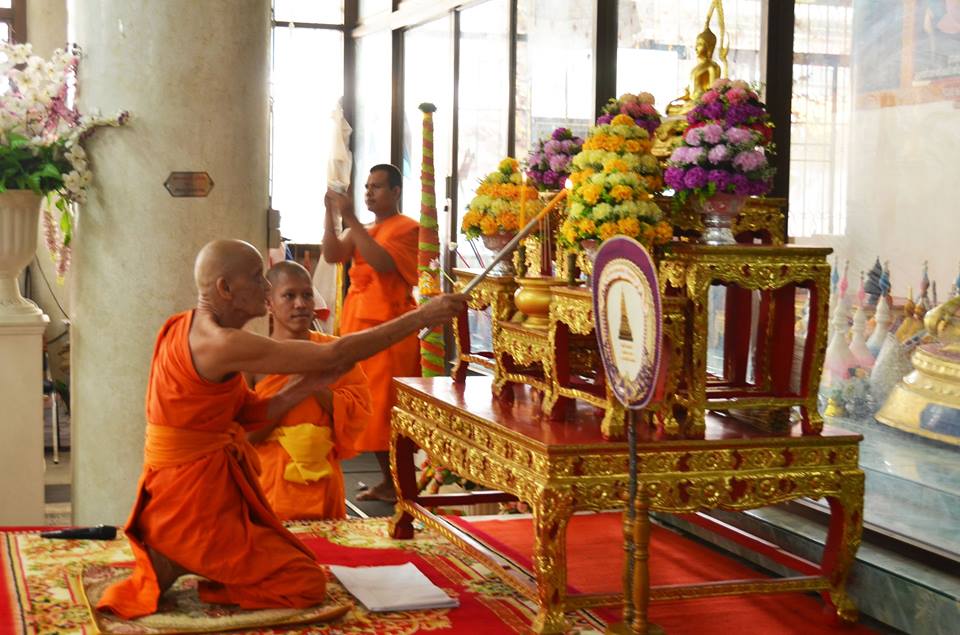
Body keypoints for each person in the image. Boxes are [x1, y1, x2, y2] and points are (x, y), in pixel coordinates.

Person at [97, 239, 465, 619]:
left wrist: (305, 386)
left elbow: (247, 414)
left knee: (293, 558)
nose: (265, 286)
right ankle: (183, 554)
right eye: (258, 278)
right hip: (191, 496)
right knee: (306, 582)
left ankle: (183, 553)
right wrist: (421, 316)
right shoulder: (221, 343)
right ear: (225, 288)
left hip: (188, 486)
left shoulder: (186, 325)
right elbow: (334, 354)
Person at [322, 164, 419, 503]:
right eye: (366, 187)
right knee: (366, 406)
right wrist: (330, 215)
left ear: (396, 192)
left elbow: (383, 263)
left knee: (385, 410)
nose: (368, 193)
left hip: (390, 331)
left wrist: (350, 219)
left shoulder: (408, 228)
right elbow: (332, 255)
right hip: (358, 326)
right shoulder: (361, 230)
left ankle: (401, 483)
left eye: (376, 187)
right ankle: (390, 482)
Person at [248, 260, 371, 520]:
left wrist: (314, 383)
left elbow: (357, 413)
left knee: (329, 544)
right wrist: (296, 385)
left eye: (307, 295)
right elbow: (246, 435)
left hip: (324, 479)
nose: (301, 304)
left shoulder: (334, 352)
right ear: (268, 303)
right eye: (289, 296)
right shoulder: (254, 359)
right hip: (270, 481)